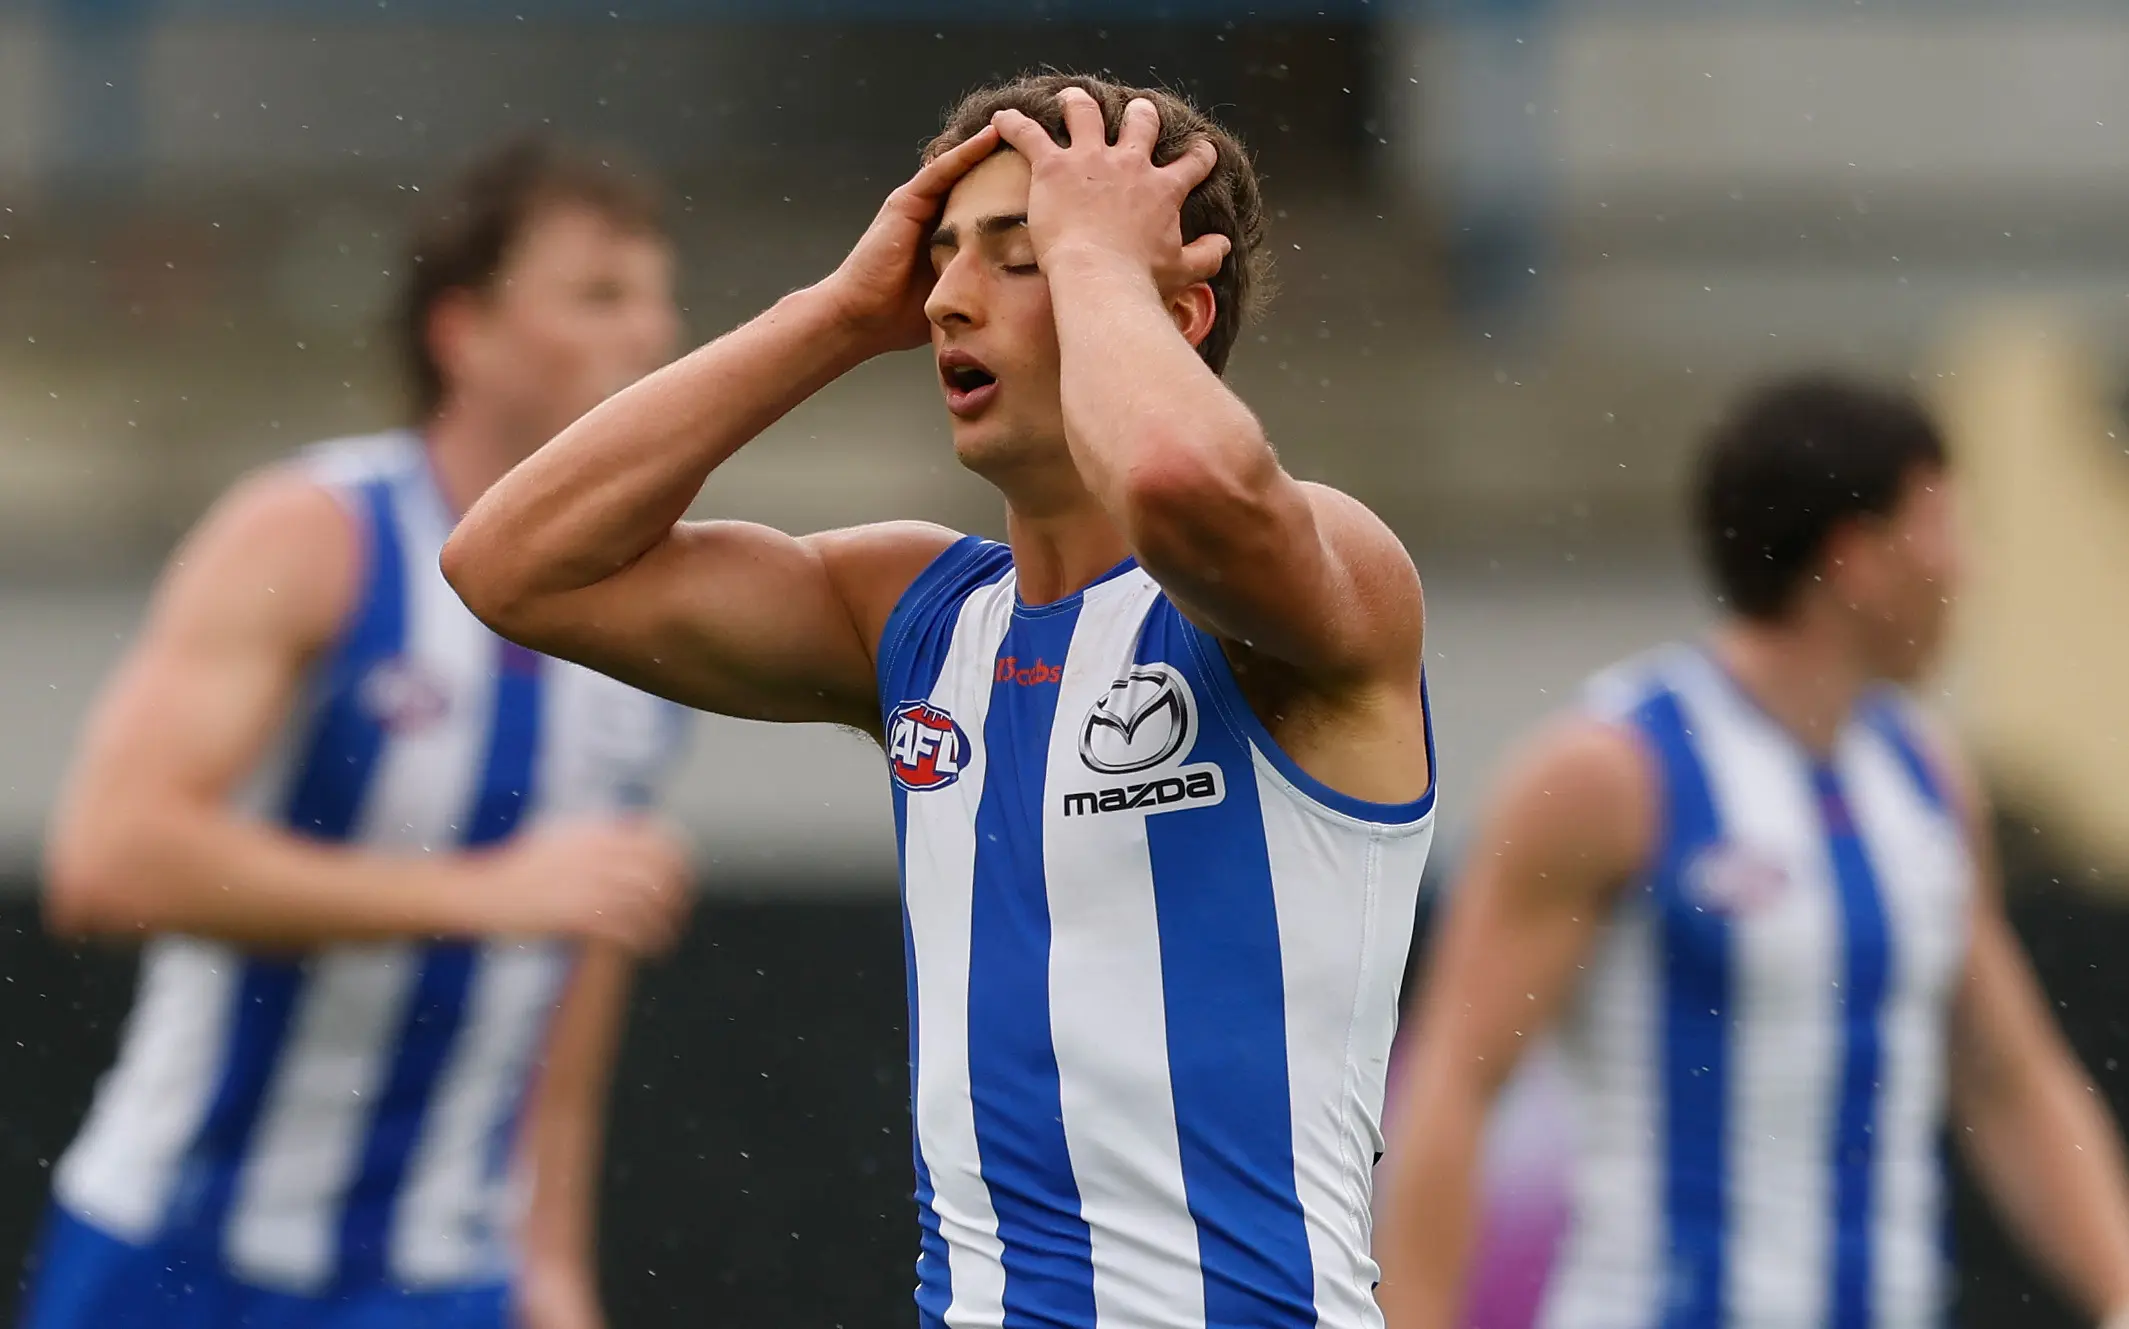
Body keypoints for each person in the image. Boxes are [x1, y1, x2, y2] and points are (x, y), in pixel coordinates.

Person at [443, 74, 1436, 1328]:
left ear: (1173, 308)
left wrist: (1097, 269)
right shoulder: (914, 615)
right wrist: (837, 315)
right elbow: (509, 564)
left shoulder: (1316, 578)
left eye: (1021, 258)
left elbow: (1185, 477)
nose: (949, 297)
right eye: (942, 257)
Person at [24, 135, 693, 1329]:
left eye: (655, 297)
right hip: (181, 1260)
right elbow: (109, 862)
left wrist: (552, 1263)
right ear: (462, 334)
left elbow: (577, 940)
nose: (648, 334)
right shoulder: (313, 534)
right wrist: (481, 895)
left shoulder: (658, 609)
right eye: (598, 293)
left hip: (442, 1283)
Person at [1374, 376, 2129, 1329]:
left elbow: (2007, 1074)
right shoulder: (1614, 772)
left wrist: (2116, 1288)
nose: (1965, 568)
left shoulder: (1925, 777)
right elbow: (1455, 1077)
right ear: (1856, 558)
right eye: (1941, 526)